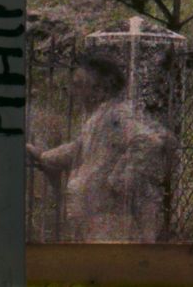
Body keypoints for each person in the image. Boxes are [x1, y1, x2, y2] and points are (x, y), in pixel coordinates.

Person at [28, 50, 178, 243]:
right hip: (93, 212)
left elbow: (148, 141)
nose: (74, 91)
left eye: (80, 85)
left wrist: (118, 182)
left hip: (109, 217)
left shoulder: (116, 115)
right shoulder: (99, 118)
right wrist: (44, 157)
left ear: (101, 89)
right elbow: (78, 148)